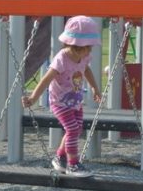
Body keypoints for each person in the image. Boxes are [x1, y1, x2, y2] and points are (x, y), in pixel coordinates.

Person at [22, 16, 101, 177]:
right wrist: (33, 98)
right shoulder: (62, 58)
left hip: (75, 102)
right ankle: (73, 164)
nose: (90, 50)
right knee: (72, 129)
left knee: (76, 129)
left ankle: (60, 157)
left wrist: (94, 88)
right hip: (60, 102)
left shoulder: (84, 56)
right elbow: (46, 79)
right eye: (88, 47)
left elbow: (86, 70)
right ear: (77, 45)